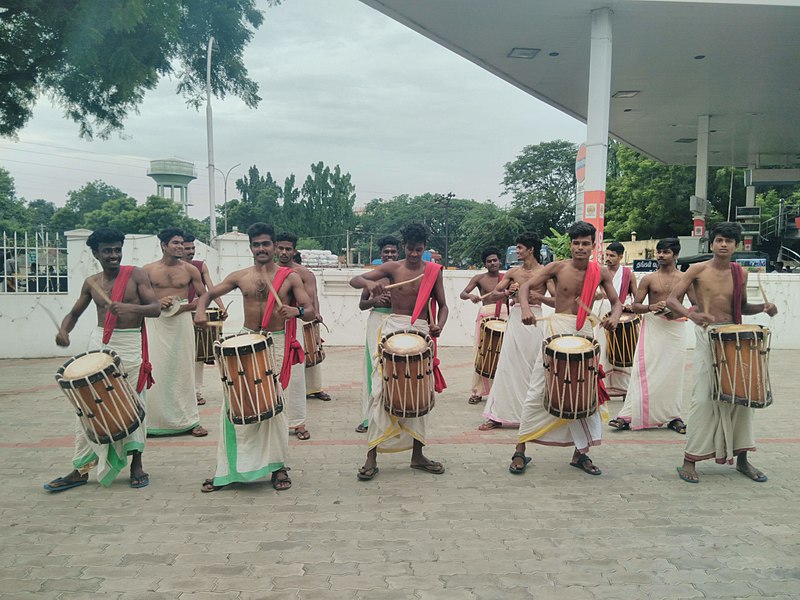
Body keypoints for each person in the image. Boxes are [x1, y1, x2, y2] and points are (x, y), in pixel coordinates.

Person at [195, 222, 316, 492]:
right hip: (247, 341)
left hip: (277, 343)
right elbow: (208, 295)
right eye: (256, 244)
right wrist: (200, 311)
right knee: (235, 405)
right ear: (250, 247)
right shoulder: (240, 276)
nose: (261, 249)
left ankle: (278, 467)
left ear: (274, 246)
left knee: (274, 407)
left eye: (266, 244)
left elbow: (309, 309)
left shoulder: (290, 278)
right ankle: (227, 470)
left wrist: (295, 313)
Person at [45, 228, 160, 492]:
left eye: (117, 249)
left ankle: (136, 465)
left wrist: (129, 308)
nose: (113, 255)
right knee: (88, 406)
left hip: (129, 346)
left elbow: (154, 309)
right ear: (96, 253)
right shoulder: (92, 282)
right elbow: (74, 314)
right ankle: (81, 469)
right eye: (107, 250)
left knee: (133, 404)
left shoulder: (136, 275)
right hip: (99, 345)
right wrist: (64, 331)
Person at [667, 222, 777, 484]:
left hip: (735, 335)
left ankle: (742, 459)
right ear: (712, 243)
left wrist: (764, 307)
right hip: (707, 335)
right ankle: (689, 460)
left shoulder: (741, 273)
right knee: (703, 398)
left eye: (729, 241)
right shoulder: (697, 269)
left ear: (736, 246)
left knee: (742, 398)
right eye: (719, 240)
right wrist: (691, 316)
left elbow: (741, 307)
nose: (723, 244)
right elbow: (673, 300)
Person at [511, 221, 622, 476]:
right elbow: (526, 287)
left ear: (594, 246)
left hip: (584, 333)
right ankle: (520, 451)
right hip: (555, 331)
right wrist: (526, 309)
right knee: (538, 388)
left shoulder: (601, 272)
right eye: (576, 243)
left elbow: (616, 303)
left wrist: (614, 317)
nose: (580, 248)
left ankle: (580, 455)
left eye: (585, 243)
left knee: (587, 393)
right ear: (570, 245)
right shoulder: (557, 267)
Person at [349, 223, 448, 481]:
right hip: (393, 330)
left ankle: (418, 455)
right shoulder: (393, 268)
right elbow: (355, 280)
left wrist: (439, 325)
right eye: (410, 249)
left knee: (419, 393)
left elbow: (444, 306)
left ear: (425, 248)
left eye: (419, 249)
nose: (414, 254)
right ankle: (371, 457)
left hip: (422, 333)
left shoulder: (434, 271)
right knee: (380, 391)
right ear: (404, 246)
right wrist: (370, 287)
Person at [609, 238, 689, 433]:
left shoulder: (685, 279)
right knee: (645, 371)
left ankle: (673, 416)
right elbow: (635, 306)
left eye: (666, 252)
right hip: (653, 326)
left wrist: (677, 312)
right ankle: (628, 415)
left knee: (673, 374)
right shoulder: (649, 279)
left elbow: (695, 305)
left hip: (675, 329)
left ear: (675, 255)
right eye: (659, 252)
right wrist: (651, 307)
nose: (661, 255)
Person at [479, 234, 552, 430]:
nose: (517, 251)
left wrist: (538, 296)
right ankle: (498, 415)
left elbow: (557, 299)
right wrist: (508, 292)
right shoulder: (513, 272)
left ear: (531, 249)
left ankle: (535, 416)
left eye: (520, 248)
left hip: (536, 320)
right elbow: (494, 294)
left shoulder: (546, 272)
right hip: (516, 320)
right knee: (507, 366)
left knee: (534, 366)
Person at [142, 228, 208, 437]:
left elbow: (203, 297)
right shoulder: (148, 270)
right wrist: (156, 301)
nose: (180, 247)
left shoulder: (190, 270)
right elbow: (139, 297)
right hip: (156, 322)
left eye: (182, 243)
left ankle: (190, 421)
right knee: (156, 369)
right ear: (163, 245)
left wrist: (194, 310)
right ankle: (152, 422)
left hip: (181, 322)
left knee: (184, 369)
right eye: (175, 243)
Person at [275, 232, 321, 440]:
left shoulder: (304, 274)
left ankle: (298, 422)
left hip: (294, 328)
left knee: (295, 378)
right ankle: (273, 422)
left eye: (288, 249)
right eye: (281, 248)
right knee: (270, 378)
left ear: (295, 250)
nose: (284, 252)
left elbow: (311, 304)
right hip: (269, 330)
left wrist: (303, 314)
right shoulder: (266, 272)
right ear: (275, 248)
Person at [355, 235, 399, 434]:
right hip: (376, 322)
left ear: (398, 253)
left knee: (395, 369)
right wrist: (376, 300)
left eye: (393, 252)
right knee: (373, 368)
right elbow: (362, 304)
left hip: (398, 322)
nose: (389, 255)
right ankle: (369, 418)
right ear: (380, 255)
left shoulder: (402, 274)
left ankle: (395, 415)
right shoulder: (373, 276)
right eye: (386, 252)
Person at [182, 234, 227, 406]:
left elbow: (211, 289)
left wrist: (222, 307)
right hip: (177, 315)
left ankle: (196, 391)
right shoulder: (168, 268)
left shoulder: (200, 266)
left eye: (192, 248)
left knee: (197, 356)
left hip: (196, 314)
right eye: (187, 248)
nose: (191, 251)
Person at [459, 247, 507, 406]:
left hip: (505, 316)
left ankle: (500, 392)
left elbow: (516, 295)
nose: (492, 263)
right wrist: (471, 295)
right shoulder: (479, 278)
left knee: (503, 355)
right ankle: (477, 392)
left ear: (500, 261)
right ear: (485, 264)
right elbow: (463, 294)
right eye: (489, 261)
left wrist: (512, 295)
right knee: (482, 354)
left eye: (495, 260)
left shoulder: (508, 278)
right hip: (486, 317)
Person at [594, 241, 638, 398]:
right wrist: (597, 295)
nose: (608, 258)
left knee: (623, 350)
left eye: (612, 256)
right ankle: (603, 386)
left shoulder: (628, 274)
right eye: (607, 255)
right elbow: (593, 292)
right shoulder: (600, 272)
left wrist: (632, 307)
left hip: (622, 315)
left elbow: (636, 297)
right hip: (602, 313)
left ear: (620, 257)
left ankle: (624, 388)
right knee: (603, 348)